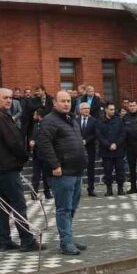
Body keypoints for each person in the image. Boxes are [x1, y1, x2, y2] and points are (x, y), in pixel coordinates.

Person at [0, 88, 45, 252]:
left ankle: (4, 241)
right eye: (5, 97)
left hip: (2, 166)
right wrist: (24, 156)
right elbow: (13, 140)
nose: (9, 101)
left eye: (11, 98)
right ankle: (27, 241)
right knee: (19, 205)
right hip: (7, 166)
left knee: (4, 207)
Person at [34, 91, 88, 255]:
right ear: (55, 103)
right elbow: (44, 145)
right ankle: (66, 243)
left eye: (68, 101)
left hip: (76, 170)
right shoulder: (50, 121)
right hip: (62, 172)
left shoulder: (71, 119)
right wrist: (55, 165)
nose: (66, 104)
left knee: (71, 208)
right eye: (63, 101)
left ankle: (68, 238)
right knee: (64, 209)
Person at [97, 102, 127, 196]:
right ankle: (109, 189)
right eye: (110, 109)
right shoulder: (100, 121)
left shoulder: (119, 120)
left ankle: (120, 189)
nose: (112, 111)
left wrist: (116, 144)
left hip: (118, 151)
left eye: (113, 109)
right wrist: (108, 145)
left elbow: (123, 134)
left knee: (120, 171)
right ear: (106, 109)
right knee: (108, 171)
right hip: (106, 151)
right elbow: (99, 136)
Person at [76, 102, 100, 196]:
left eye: (88, 108)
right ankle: (77, 190)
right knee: (77, 169)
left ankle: (91, 189)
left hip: (90, 147)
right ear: (80, 110)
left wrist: (86, 141)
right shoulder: (75, 120)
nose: (87, 110)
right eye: (84, 108)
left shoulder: (94, 121)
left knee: (91, 169)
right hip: (78, 148)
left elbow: (95, 134)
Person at [29, 107, 52, 199]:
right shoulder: (35, 125)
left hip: (45, 154)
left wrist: (36, 142)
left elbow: (46, 139)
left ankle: (47, 192)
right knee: (36, 175)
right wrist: (31, 140)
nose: (33, 116)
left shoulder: (47, 125)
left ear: (38, 115)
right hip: (36, 154)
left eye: (35, 114)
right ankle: (34, 193)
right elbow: (33, 136)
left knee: (46, 175)